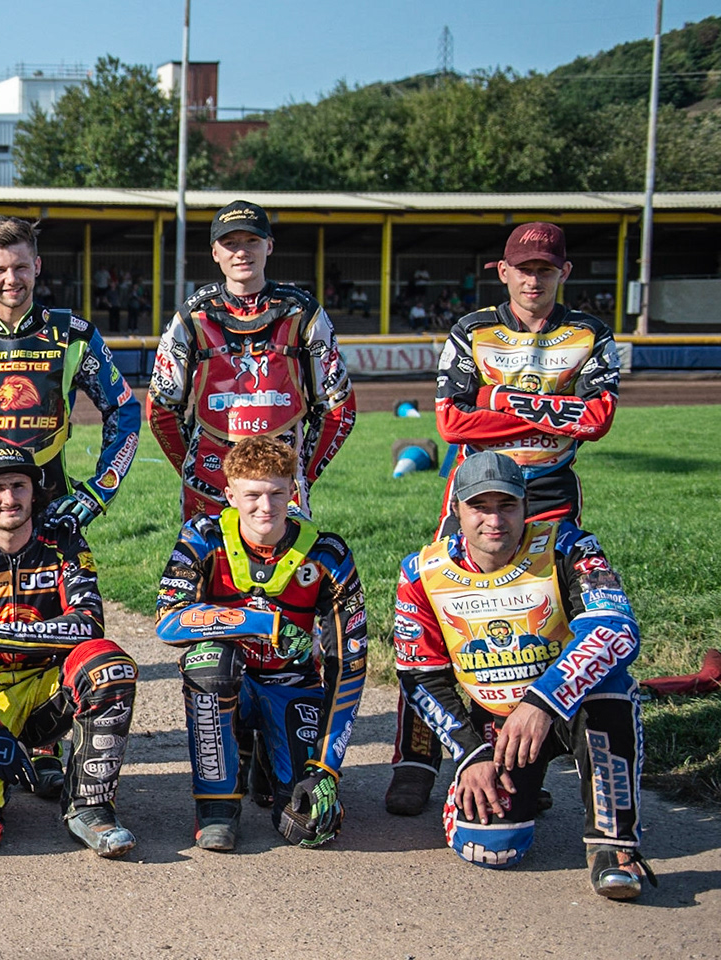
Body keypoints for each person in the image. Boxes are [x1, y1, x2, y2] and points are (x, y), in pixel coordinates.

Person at [388, 222, 623, 817]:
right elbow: (450, 424)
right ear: (503, 270)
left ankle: (526, 747)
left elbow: (598, 419)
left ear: (564, 272)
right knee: (439, 615)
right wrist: (552, 411)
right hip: (475, 487)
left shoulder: (590, 333)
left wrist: (495, 400)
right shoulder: (472, 330)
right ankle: (415, 761)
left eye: (546, 269)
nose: (534, 279)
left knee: (546, 611)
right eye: (524, 268)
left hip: (547, 488)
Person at [391, 452, 653, 900]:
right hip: (496, 722)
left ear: (525, 506)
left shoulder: (572, 547)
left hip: (562, 709)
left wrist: (542, 702)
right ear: (457, 510)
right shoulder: (422, 572)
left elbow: (616, 629)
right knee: (488, 848)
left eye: (506, 506)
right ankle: (525, 791)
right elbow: (420, 676)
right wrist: (469, 754)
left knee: (610, 689)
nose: (494, 520)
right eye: (480, 507)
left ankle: (614, 846)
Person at [0, 446, 138, 857]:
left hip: (48, 692)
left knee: (108, 664)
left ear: (35, 491)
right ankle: (3, 770)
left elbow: (88, 625)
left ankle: (88, 807)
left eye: (18, 486)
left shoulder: (65, 545)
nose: (9, 499)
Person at [153, 436, 367, 851]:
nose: (265, 508)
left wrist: (326, 768)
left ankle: (267, 762)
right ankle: (217, 806)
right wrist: (260, 622)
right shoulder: (202, 537)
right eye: (252, 495)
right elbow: (167, 622)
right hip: (229, 675)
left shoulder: (328, 553)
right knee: (208, 663)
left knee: (306, 825)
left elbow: (351, 662)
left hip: (290, 683)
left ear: (294, 491)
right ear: (229, 495)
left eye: (276, 493)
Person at [0, 216, 141, 555]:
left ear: (37, 266)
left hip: (51, 516)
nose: (11, 279)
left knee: (66, 610)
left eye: (20, 267)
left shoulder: (74, 335)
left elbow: (123, 410)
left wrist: (98, 492)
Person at [147, 200, 356, 522]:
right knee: (205, 565)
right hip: (208, 476)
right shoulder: (192, 316)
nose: (241, 252)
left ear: (269, 246)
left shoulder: (302, 312)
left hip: (281, 480)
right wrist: (191, 462)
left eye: (251, 241)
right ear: (215, 252)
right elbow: (161, 408)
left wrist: (299, 472)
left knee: (287, 567)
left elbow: (337, 405)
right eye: (229, 243)